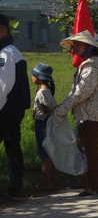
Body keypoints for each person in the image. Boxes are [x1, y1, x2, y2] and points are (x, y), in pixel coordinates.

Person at [53, 31, 98, 196]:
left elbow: (81, 92)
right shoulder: (92, 65)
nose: (75, 47)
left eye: (79, 44)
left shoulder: (91, 68)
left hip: (90, 114)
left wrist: (62, 107)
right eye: (75, 45)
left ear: (89, 46)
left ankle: (92, 184)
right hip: (92, 113)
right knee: (94, 147)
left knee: (89, 148)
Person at [0, 13, 31, 201]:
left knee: (13, 147)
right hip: (14, 108)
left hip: (6, 108)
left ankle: (15, 188)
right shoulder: (10, 52)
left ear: (3, 31)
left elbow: (2, 87)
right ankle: (15, 189)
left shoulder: (5, 54)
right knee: (13, 147)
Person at [30, 63, 57, 191]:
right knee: (49, 153)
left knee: (44, 154)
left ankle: (46, 182)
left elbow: (47, 110)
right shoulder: (48, 91)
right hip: (47, 124)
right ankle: (50, 181)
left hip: (43, 124)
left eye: (34, 75)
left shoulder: (42, 92)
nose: (32, 78)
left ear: (40, 78)